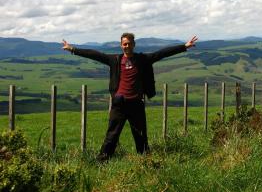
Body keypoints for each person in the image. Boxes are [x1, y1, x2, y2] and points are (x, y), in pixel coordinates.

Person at [62, 33, 198, 161]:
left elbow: (161, 53)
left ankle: (145, 162)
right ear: (121, 45)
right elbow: (95, 55)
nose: (126, 46)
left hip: (136, 104)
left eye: (129, 43)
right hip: (119, 104)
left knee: (140, 136)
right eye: (124, 44)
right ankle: (102, 161)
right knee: (112, 135)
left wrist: (184, 46)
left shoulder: (142, 59)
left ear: (134, 44)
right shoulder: (115, 60)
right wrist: (73, 49)